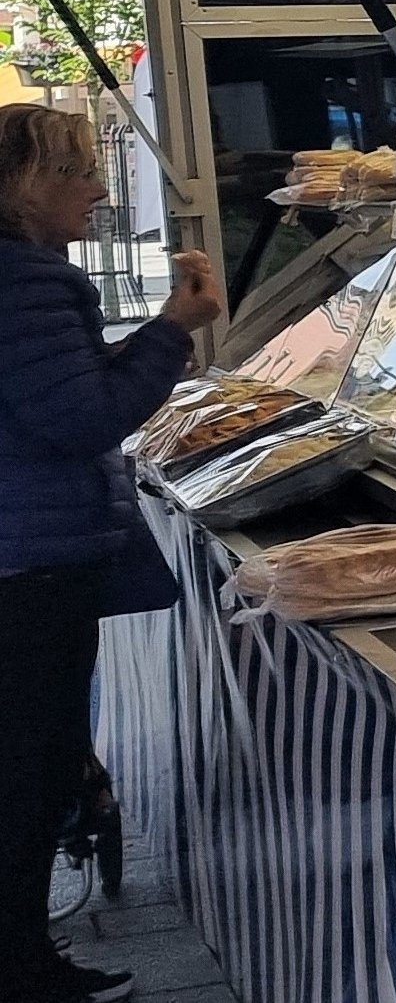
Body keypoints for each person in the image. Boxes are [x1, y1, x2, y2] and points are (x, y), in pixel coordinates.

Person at [0, 103, 222, 1003]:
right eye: (78, 173)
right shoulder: (25, 281)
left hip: (22, 553)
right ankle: (23, 971)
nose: (97, 190)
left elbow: (54, 389)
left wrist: (150, 343)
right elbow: (80, 417)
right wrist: (173, 329)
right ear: (25, 186)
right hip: (29, 568)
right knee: (27, 772)